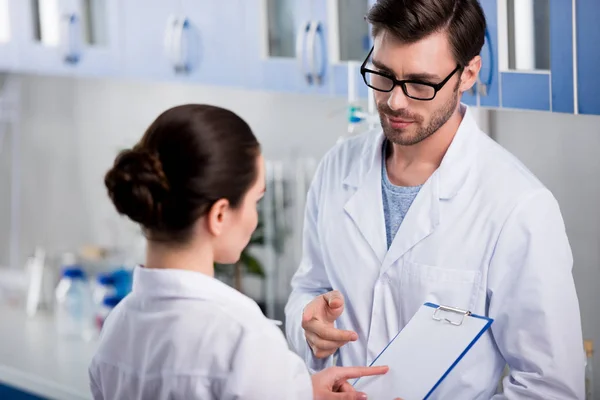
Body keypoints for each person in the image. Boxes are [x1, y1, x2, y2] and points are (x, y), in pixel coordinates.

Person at [284, 0, 585, 399]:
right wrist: (309, 325)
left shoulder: (518, 206)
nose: (395, 102)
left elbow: (550, 387)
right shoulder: (337, 168)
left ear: (469, 74)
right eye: (383, 75)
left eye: (421, 84)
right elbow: (308, 287)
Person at [88, 104, 396, 400]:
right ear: (219, 215)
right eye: (255, 200)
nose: (256, 217)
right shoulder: (242, 338)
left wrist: (300, 392)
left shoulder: (117, 326)